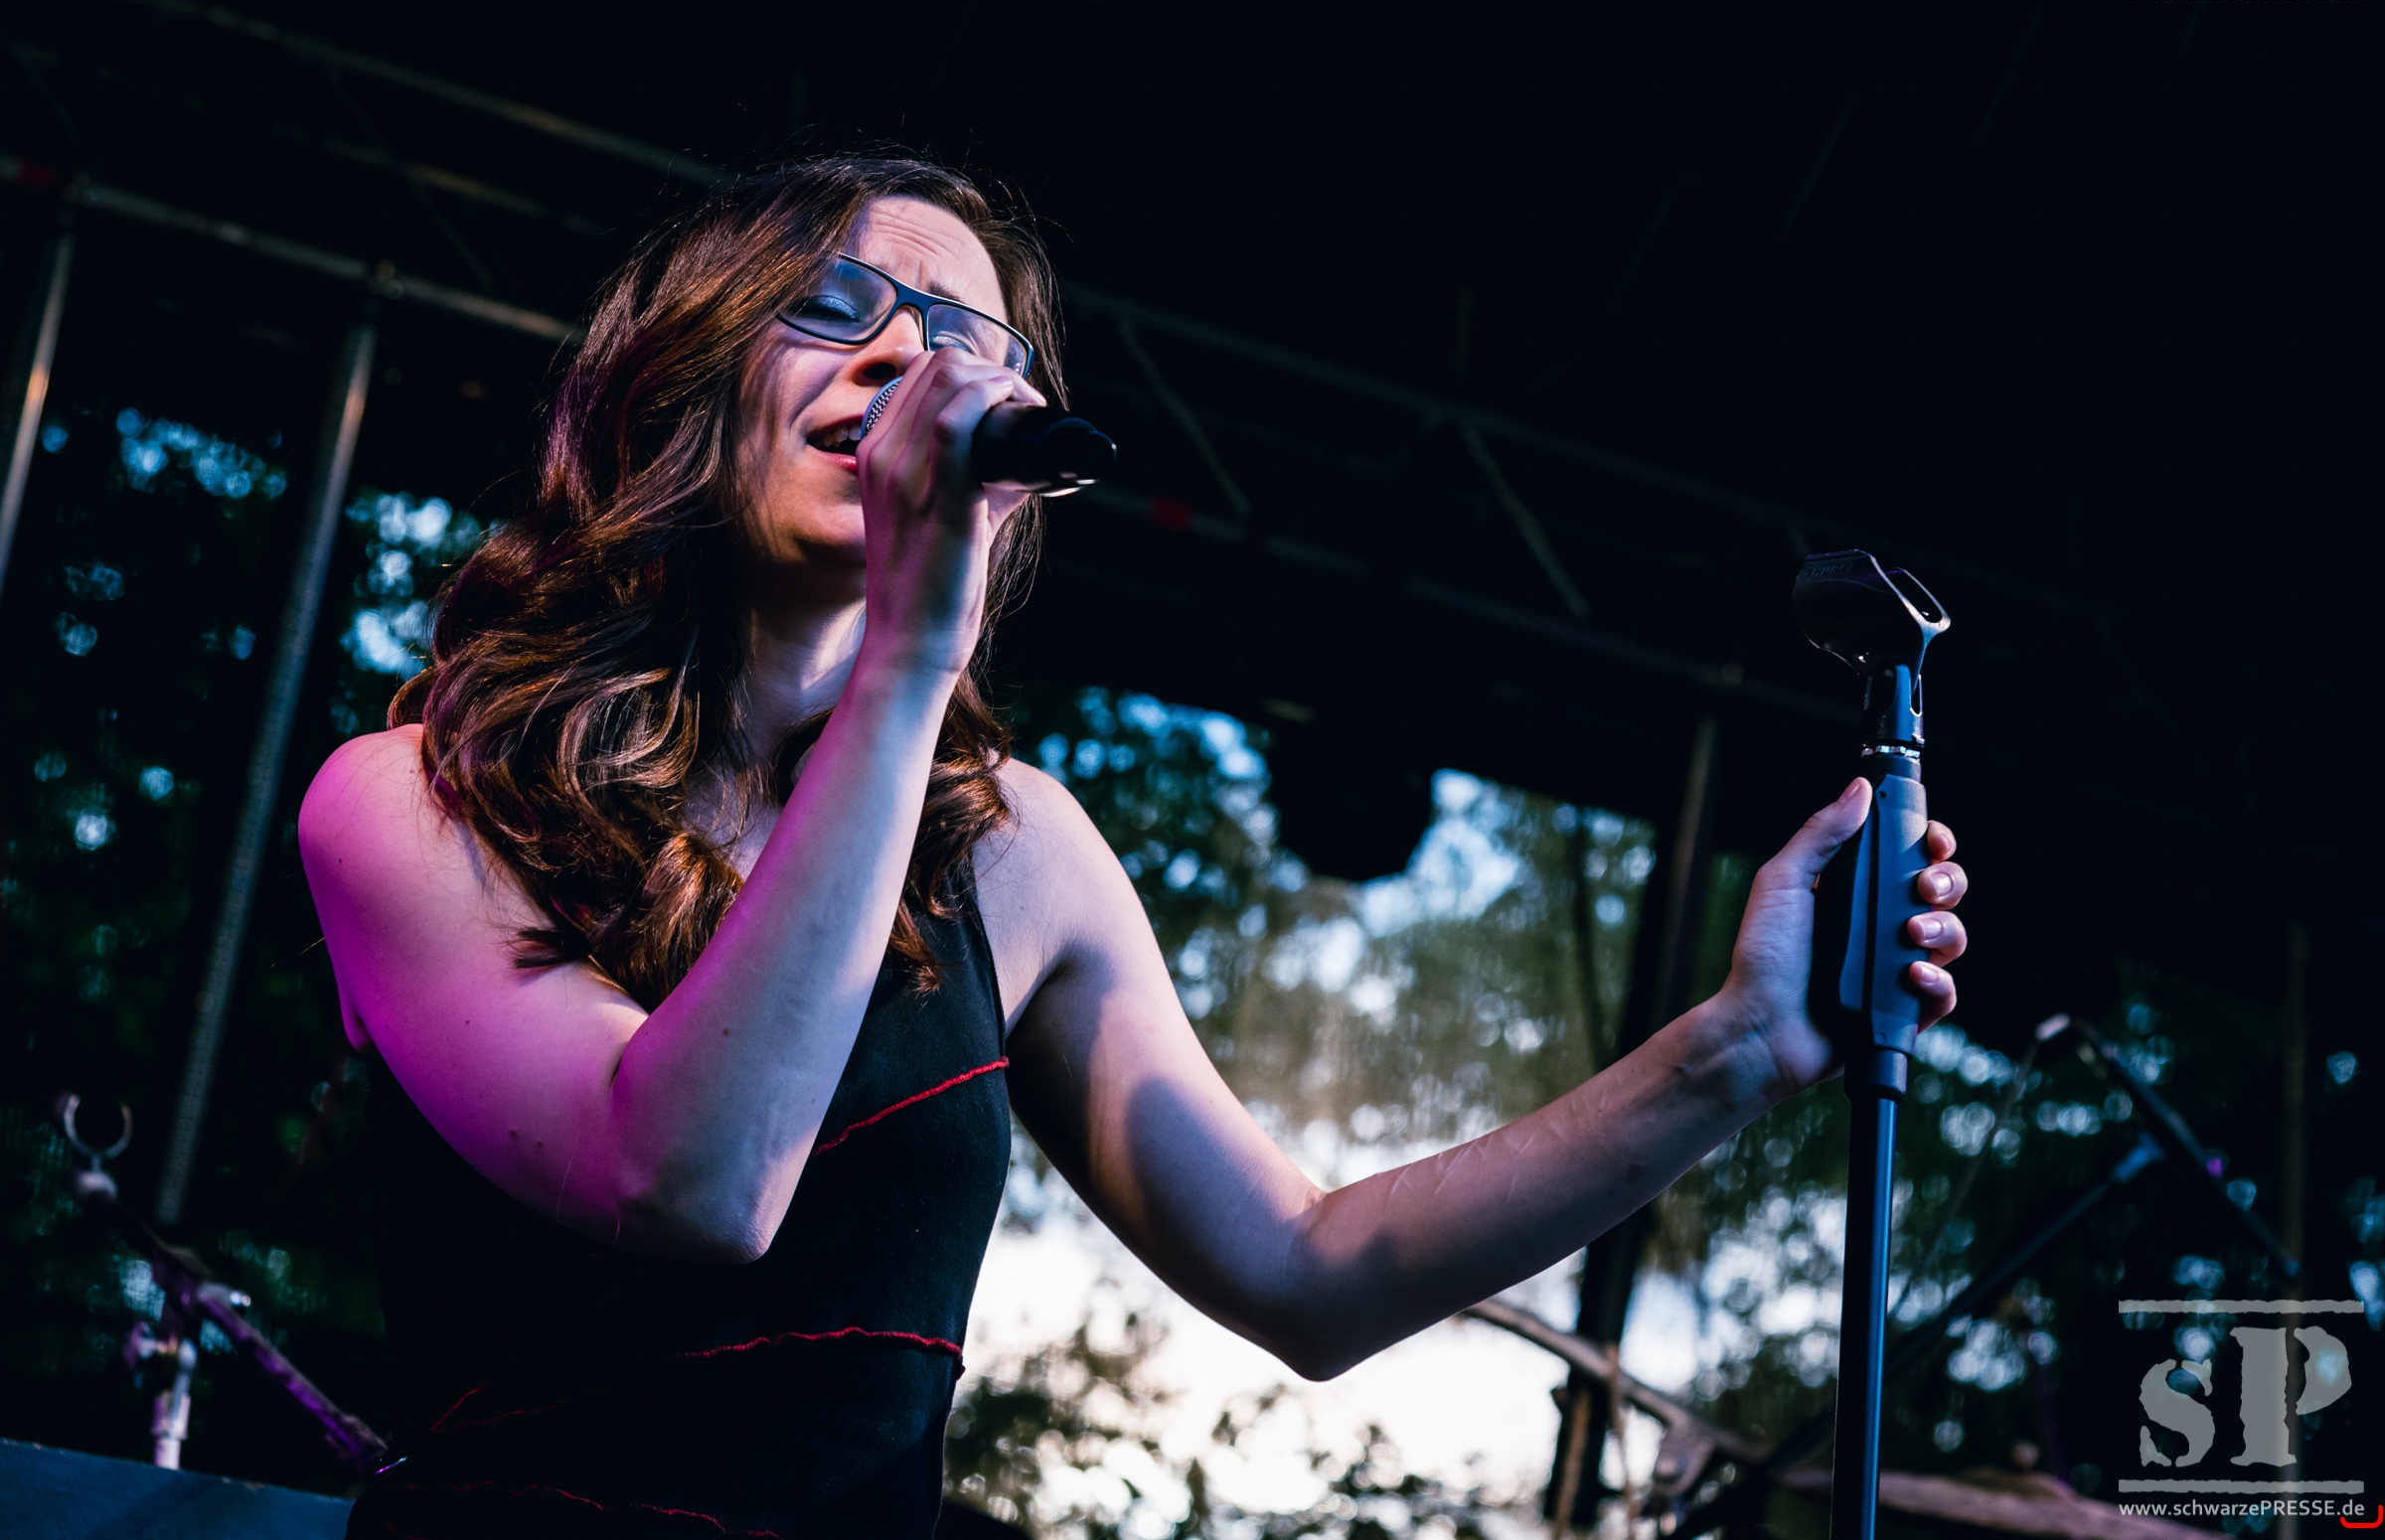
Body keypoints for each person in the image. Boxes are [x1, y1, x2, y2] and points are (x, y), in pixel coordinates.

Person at [300, 156, 1969, 1538]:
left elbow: (1312, 1274)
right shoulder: (413, 803)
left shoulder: (1008, 850)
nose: (913, 366)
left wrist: (1734, 1048)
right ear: (684, 369)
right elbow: (693, 1178)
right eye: (839, 305)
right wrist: (912, 656)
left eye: (970, 342)